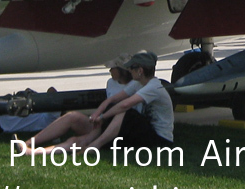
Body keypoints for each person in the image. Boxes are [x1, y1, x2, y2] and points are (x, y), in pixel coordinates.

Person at [27, 51, 174, 155]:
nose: (129, 70)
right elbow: (112, 100)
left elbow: (124, 105)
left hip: (158, 138)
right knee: (78, 135)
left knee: (123, 110)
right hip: (121, 128)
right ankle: (30, 147)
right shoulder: (136, 84)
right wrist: (97, 115)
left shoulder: (154, 87)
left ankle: (94, 146)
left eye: (132, 68)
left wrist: (102, 118)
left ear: (140, 70)